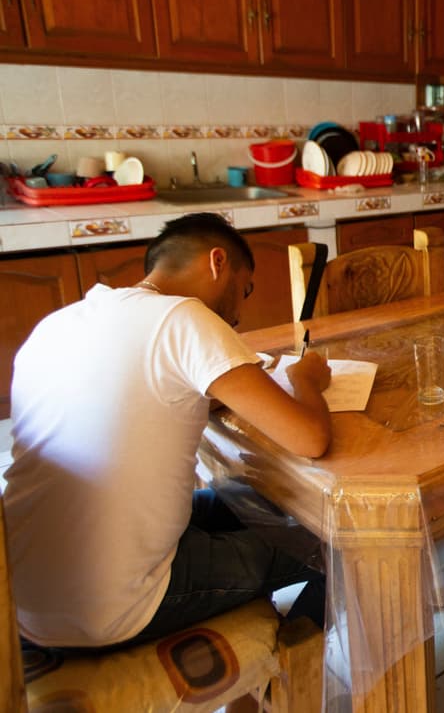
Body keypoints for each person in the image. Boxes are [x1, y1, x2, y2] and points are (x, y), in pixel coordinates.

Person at [5, 212, 334, 649]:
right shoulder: (185, 318)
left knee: (247, 500)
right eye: (244, 290)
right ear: (218, 262)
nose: (238, 313)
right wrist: (305, 380)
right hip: (111, 608)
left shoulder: (58, 323)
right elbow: (310, 439)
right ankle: (293, 673)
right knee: (337, 544)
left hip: (22, 596)